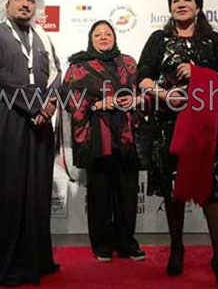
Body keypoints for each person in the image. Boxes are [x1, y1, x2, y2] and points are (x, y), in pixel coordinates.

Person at [137, 0, 218, 289]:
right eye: (175, 0)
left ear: (198, 5)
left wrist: (199, 74)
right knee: (173, 187)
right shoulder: (159, 39)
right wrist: (164, 94)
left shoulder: (212, 40)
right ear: (170, 7)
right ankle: (177, 247)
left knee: (212, 187)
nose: (181, 4)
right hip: (168, 122)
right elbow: (142, 78)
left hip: (204, 123)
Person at [0, 0, 61, 286]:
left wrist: (49, 106)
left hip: (39, 128)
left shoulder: (43, 38)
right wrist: (35, 104)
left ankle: (35, 262)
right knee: (3, 193)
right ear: (6, 6)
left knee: (36, 195)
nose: (25, 4)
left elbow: (57, 75)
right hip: (5, 124)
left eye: (30, 0)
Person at [61, 20, 145, 262]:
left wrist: (135, 100)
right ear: (91, 39)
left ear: (114, 37)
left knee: (127, 193)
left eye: (108, 33)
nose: (103, 37)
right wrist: (98, 104)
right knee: (100, 193)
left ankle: (127, 243)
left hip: (127, 135)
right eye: (98, 34)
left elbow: (144, 92)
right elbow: (68, 99)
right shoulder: (79, 66)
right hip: (96, 137)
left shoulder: (128, 63)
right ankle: (102, 245)